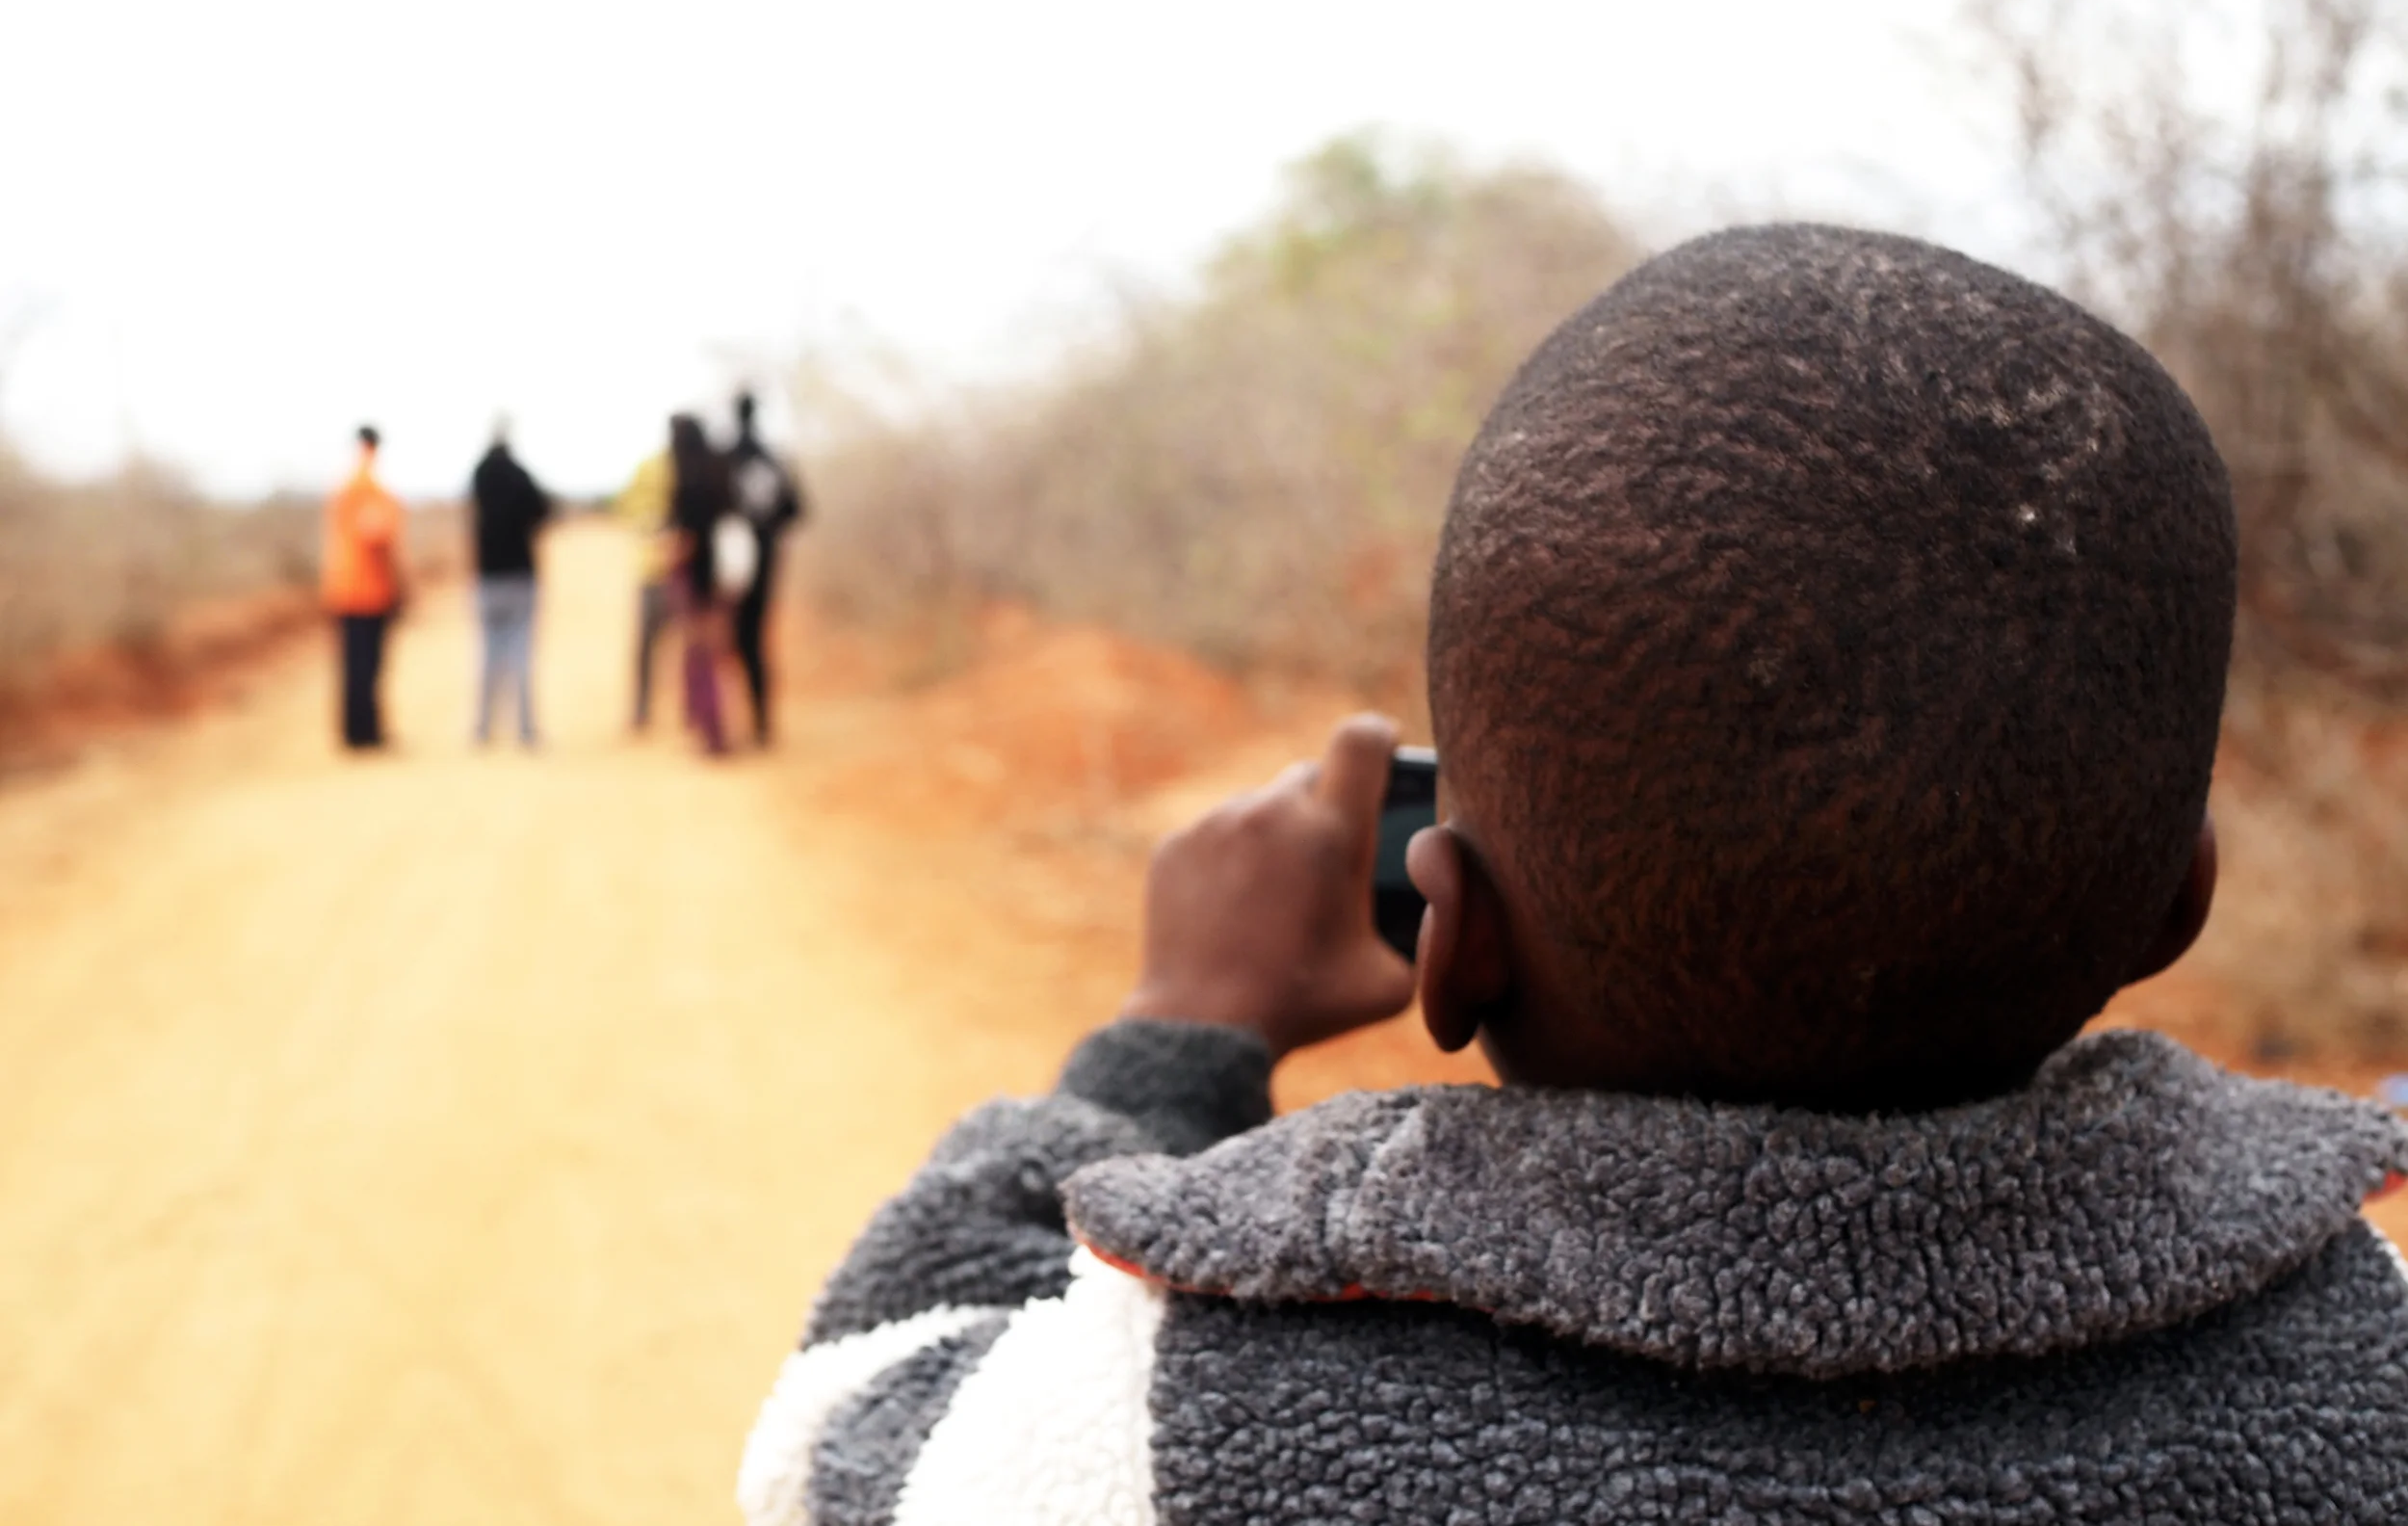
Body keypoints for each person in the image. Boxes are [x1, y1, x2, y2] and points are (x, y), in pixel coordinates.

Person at [737, 225, 2408, 1525]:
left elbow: (841, 1427)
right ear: (2179, 900)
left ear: (1450, 938)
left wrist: (1170, 1037)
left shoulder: (1173, 1422)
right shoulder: (2365, 1354)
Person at [725, 390, 805, 747]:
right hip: (767, 561)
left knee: (733, 640)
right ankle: (760, 723)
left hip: (729, 567)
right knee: (756, 640)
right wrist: (768, 533)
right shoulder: (774, 458)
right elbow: (796, 510)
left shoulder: (725, 458)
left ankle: (738, 722)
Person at [468, 416, 554, 748]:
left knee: (488, 653)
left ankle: (483, 728)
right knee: (521, 654)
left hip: (488, 575)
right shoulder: (521, 475)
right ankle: (525, 730)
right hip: (520, 575)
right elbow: (544, 511)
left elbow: (471, 516)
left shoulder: (479, 473)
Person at [320, 424, 406, 750]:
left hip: (344, 588)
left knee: (354, 664)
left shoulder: (344, 486)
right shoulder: (367, 487)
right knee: (366, 664)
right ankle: (364, 733)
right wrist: (399, 581)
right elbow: (377, 536)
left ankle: (357, 731)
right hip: (367, 592)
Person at [667, 412, 733, 756]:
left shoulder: (687, 482)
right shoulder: (719, 473)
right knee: (715, 654)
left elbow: (685, 538)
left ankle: (710, 729)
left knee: (699, 654)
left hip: (694, 577)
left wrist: (672, 559)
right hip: (721, 576)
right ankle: (715, 726)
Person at [617, 436, 676, 731]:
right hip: (676, 572)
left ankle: (642, 710)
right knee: (686, 647)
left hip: (652, 572)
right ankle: (690, 713)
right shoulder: (685, 469)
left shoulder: (646, 469)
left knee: (646, 648)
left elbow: (627, 509)